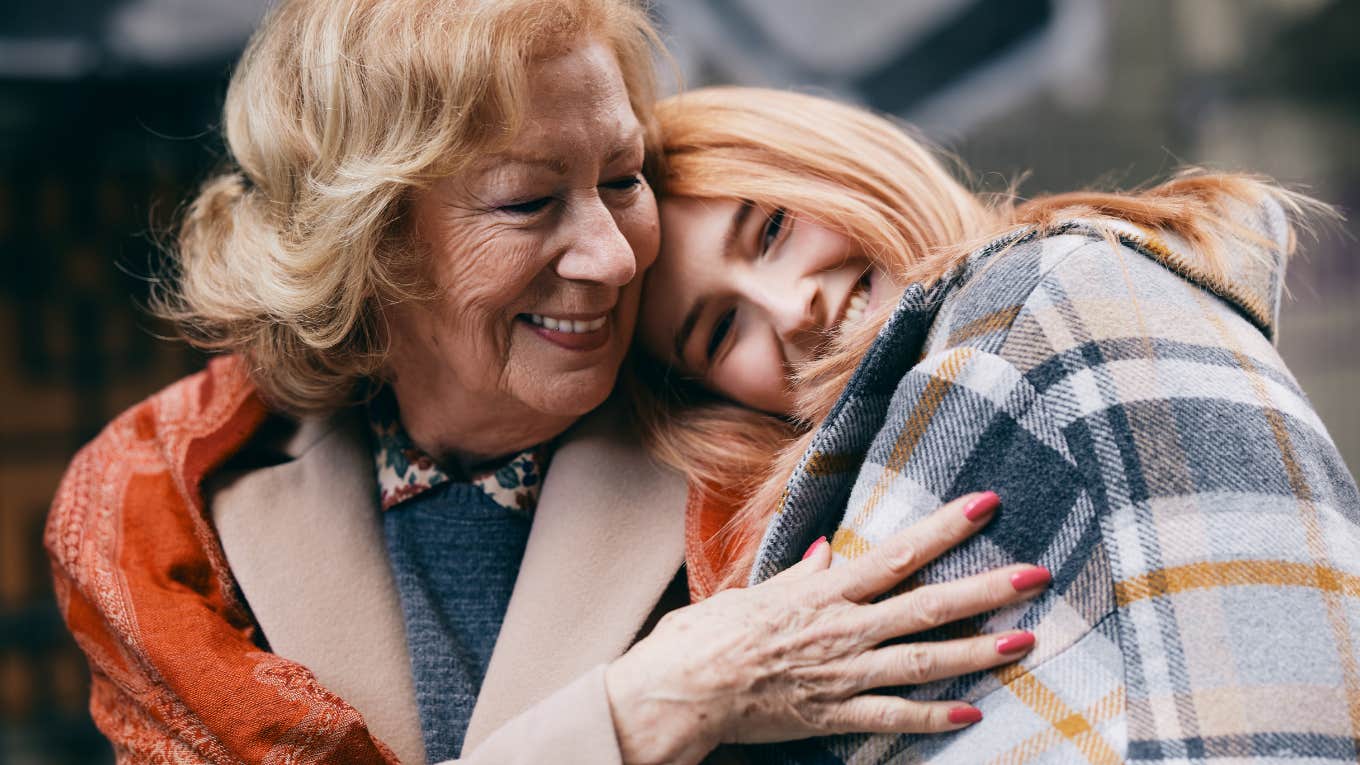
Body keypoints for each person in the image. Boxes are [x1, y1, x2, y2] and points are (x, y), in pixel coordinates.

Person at [45, 4, 1053, 765]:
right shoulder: (163, 532)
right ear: (371, 247)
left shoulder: (776, 446)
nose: (615, 257)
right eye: (528, 203)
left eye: (623, 178)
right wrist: (647, 708)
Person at [631, 86, 1360, 763]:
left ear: (836, 163)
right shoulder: (788, 573)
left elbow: (1281, 697)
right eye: (723, 329)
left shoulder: (1061, 294)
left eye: (773, 229)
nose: (792, 309)